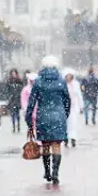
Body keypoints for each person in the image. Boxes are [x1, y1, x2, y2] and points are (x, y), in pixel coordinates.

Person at [26, 56, 71, 184]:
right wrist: (64, 114)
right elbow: (67, 100)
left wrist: (29, 120)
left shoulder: (38, 82)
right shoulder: (61, 81)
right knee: (56, 145)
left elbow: (31, 103)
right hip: (58, 116)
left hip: (43, 116)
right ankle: (56, 173)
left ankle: (47, 171)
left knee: (45, 144)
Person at [63, 68, 84, 148]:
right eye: (67, 76)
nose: (68, 77)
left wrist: (81, 106)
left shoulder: (76, 84)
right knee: (65, 124)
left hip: (73, 107)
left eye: (70, 76)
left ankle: (73, 139)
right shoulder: (62, 84)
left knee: (73, 124)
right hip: (64, 107)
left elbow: (79, 95)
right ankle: (65, 139)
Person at [6, 68, 24, 133]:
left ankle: (18, 126)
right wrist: (9, 97)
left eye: (14, 73)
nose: (13, 75)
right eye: (12, 74)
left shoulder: (19, 81)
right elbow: (7, 91)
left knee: (17, 114)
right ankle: (14, 127)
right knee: (13, 114)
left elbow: (22, 90)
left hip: (18, 99)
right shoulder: (9, 81)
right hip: (12, 100)